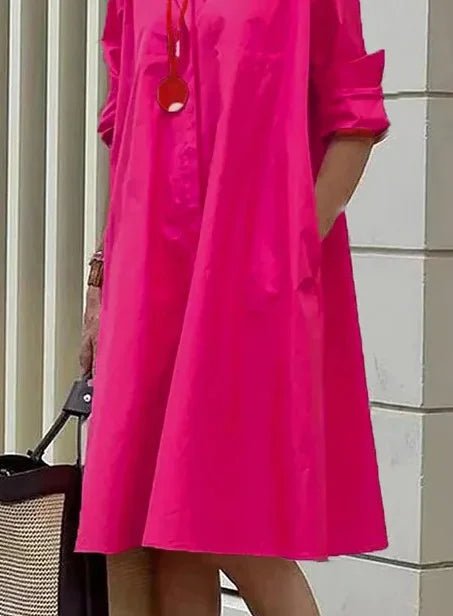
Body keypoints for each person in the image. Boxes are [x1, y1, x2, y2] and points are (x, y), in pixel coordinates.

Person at [77, 0, 390, 613]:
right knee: (160, 537)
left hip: (246, 289)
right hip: (145, 286)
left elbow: (355, 119)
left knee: (232, 527)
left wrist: (291, 253)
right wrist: (101, 277)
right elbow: (126, 131)